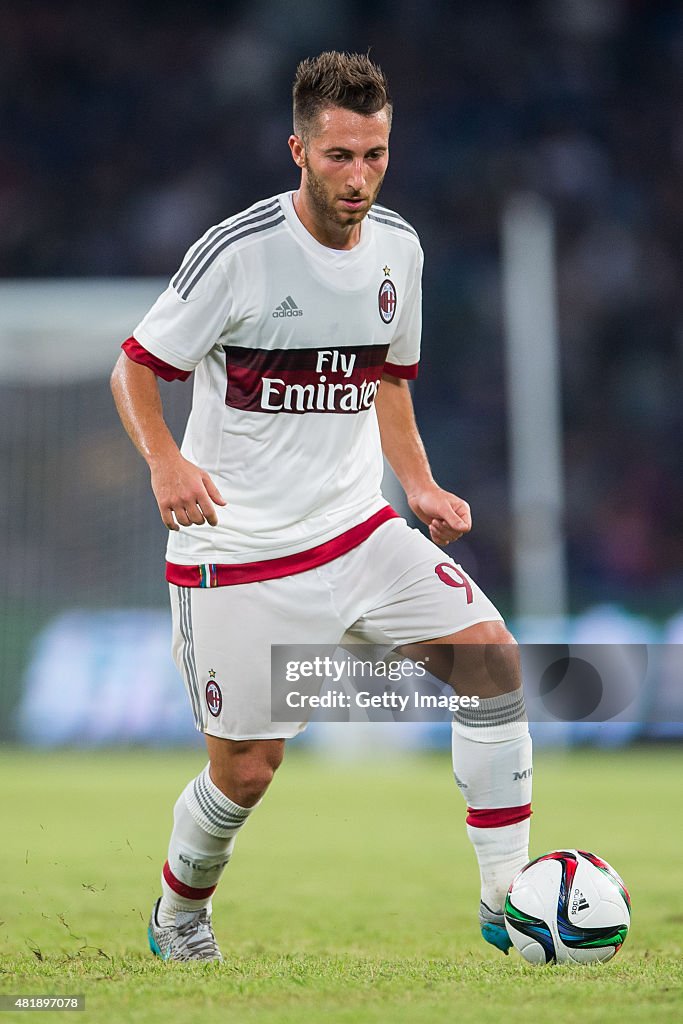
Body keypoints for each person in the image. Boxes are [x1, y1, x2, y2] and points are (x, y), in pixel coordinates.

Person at [110, 51, 532, 962]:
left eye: (374, 156)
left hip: (357, 532)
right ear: (296, 149)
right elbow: (135, 368)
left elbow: (384, 376)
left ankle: (511, 903)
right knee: (246, 773)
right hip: (239, 552)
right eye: (339, 156)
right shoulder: (238, 254)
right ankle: (179, 919)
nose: (359, 178)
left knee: (493, 667)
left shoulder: (399, 251)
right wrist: (165, 463)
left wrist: (415, 483)